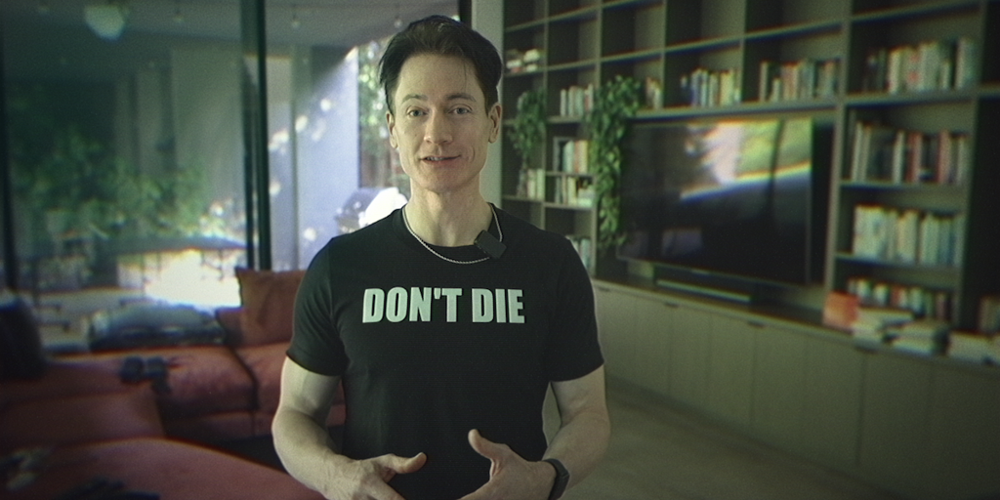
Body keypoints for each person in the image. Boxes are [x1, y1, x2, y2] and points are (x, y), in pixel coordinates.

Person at [272, 15, 609, 500]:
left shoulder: (550, 263)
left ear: (493, 122)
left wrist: (544, 478)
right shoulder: (340, 267)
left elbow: (588, 414)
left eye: (459, 109)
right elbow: (295, 414)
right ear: (393, 129)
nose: (437, 133)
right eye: (416, 111)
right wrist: (335, 476)